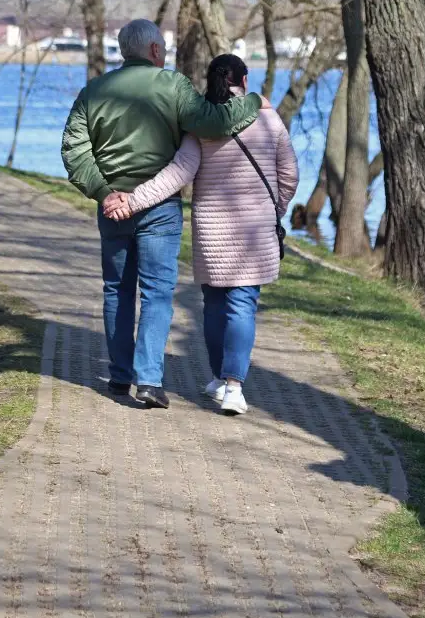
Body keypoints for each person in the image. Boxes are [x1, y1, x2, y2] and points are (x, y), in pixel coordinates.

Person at [61, 20, 268, 409]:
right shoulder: (172, 86)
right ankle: (150, 380)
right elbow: (215, 122)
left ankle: (120, 375)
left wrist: (106, 194)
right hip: (159, 206)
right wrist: (253, 102)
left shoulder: (94, 91)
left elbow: (74, 150)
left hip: (113, 211)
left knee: (116, 290)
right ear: (155, 51)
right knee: (156, 292)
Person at [103, 54, 299, 416]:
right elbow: (289, 175)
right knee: (243, 304)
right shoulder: (269, 120)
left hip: (213, 231)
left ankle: (220, 377)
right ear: (245, 78)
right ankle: (234, 385)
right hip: (255, 232)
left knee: (215, 304)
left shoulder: (201, 127)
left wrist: (132, 201)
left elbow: (177, 173)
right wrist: (276, 209)